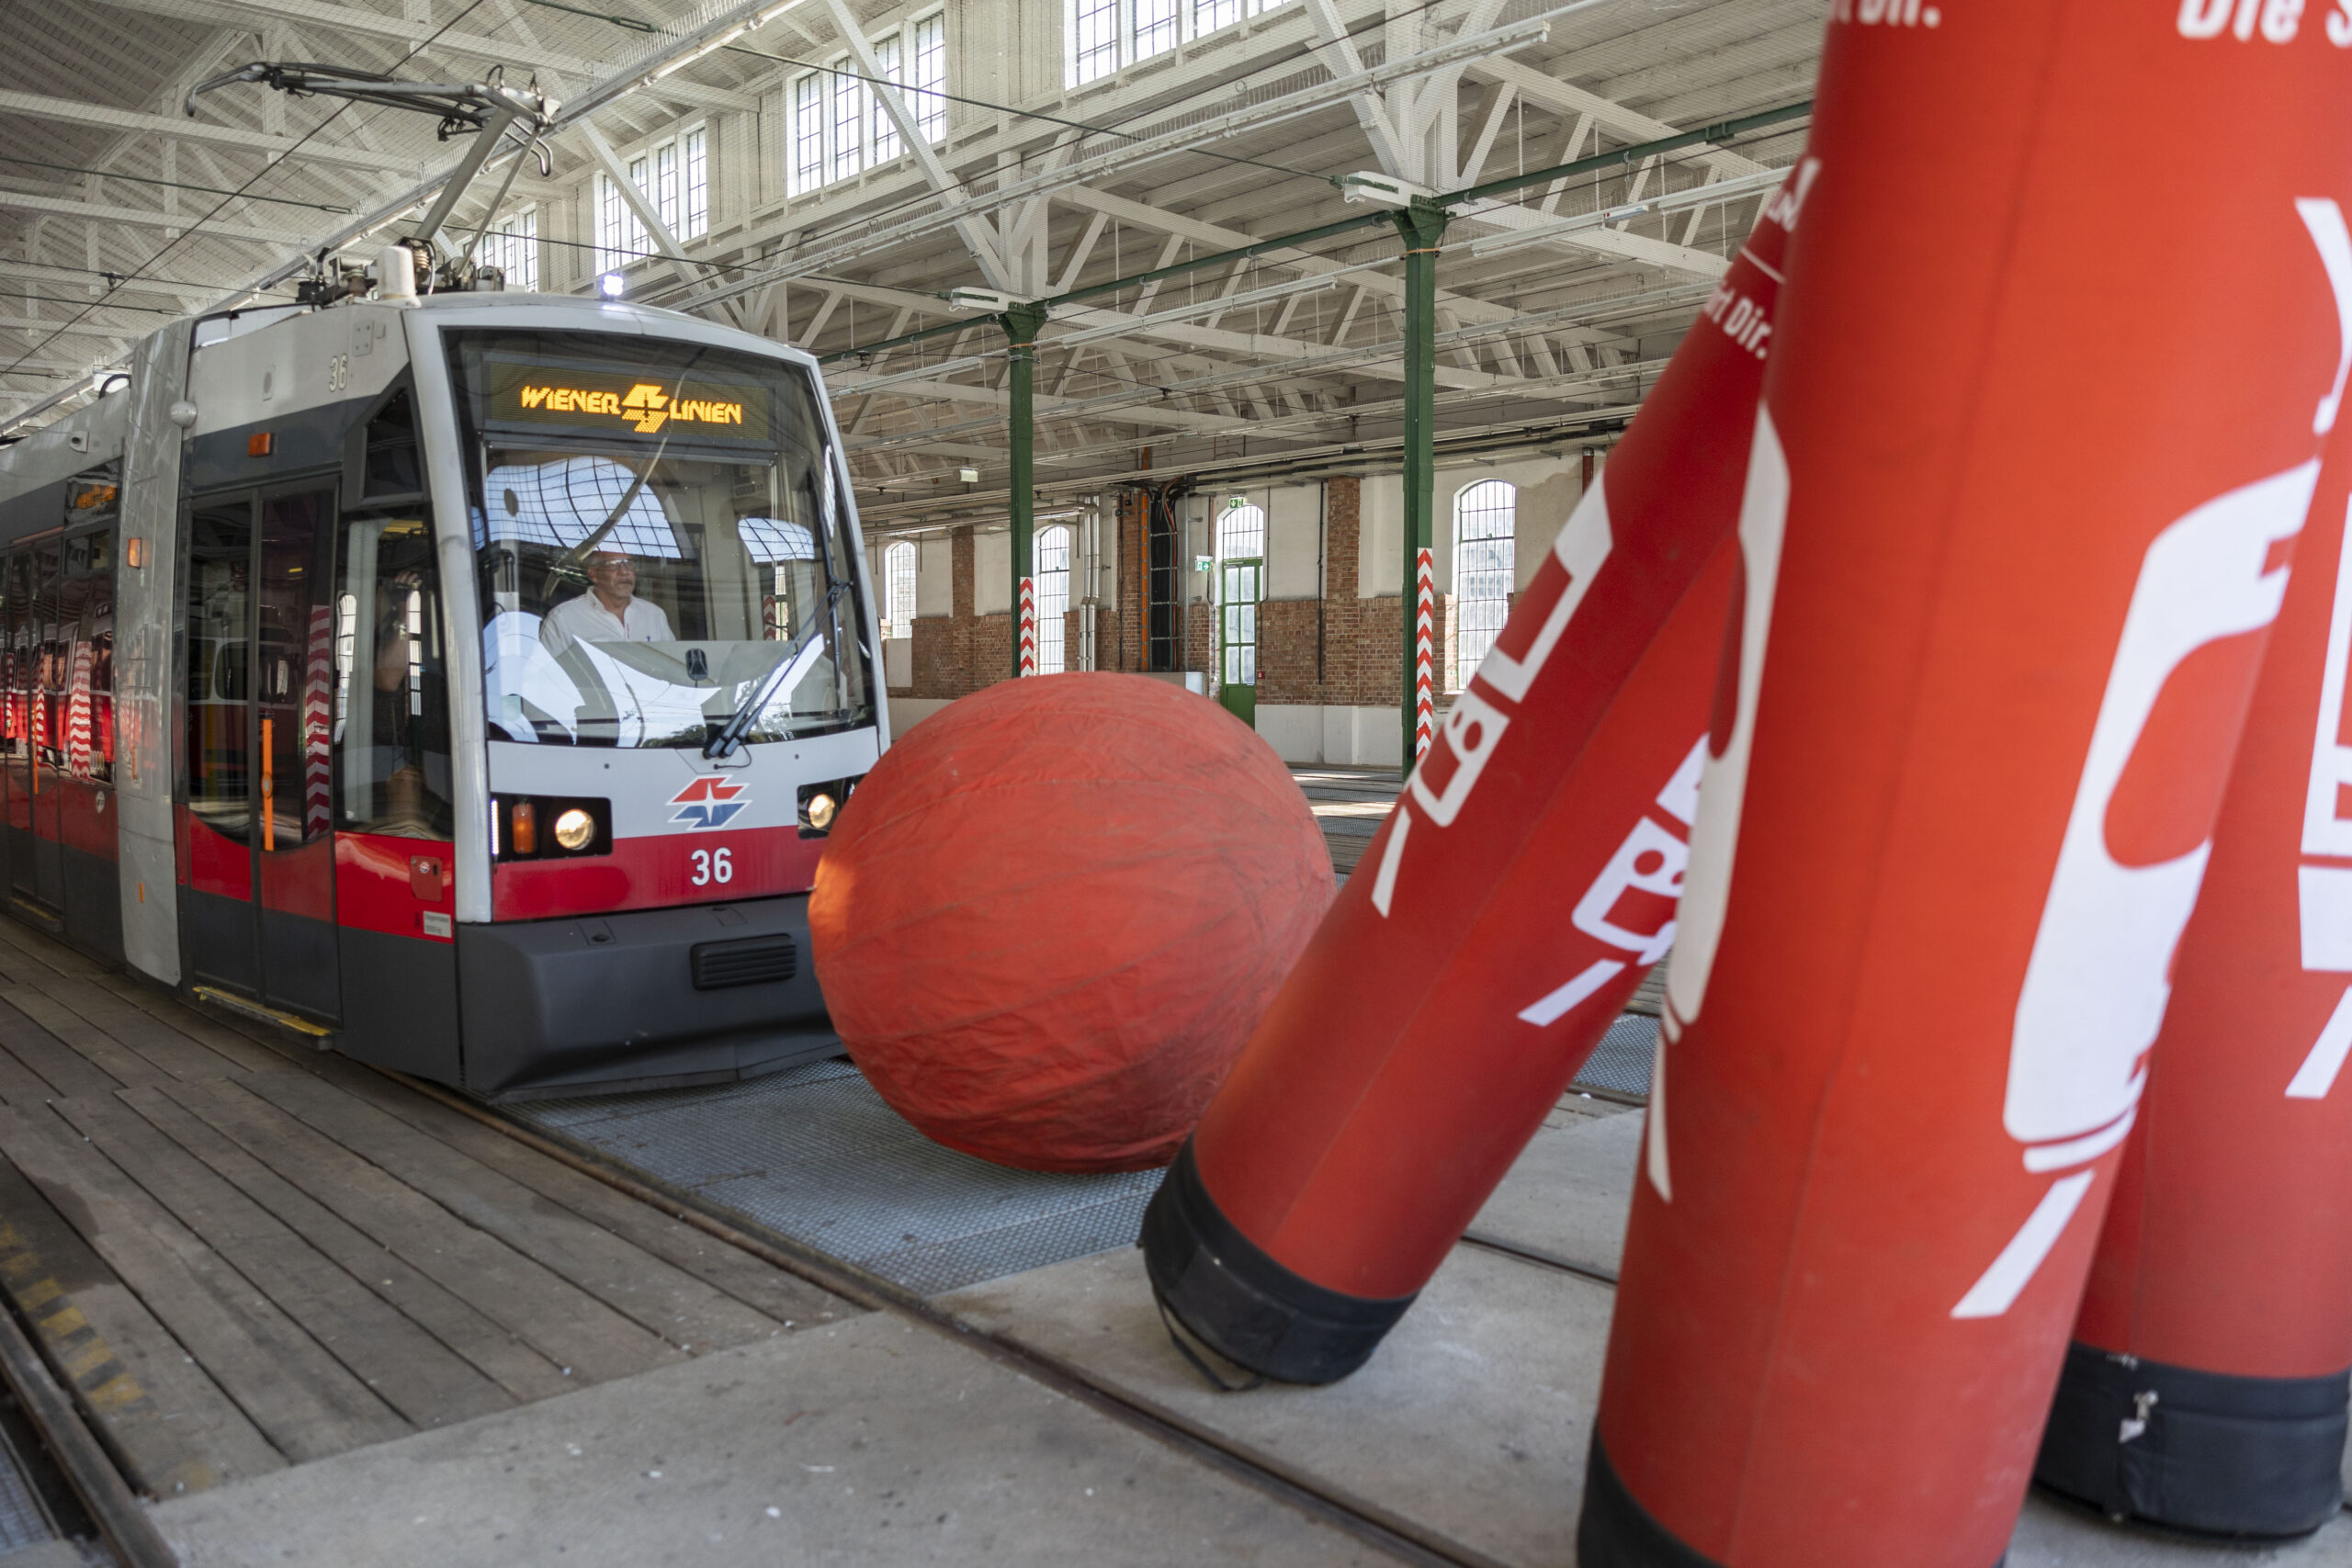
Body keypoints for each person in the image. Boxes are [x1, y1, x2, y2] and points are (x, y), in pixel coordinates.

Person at [538, 549, 674, 659]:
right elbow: (545, 677)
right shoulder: (563, 619)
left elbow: (673, 665)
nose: (624, 571)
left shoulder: (654, 614)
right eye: (614, 564)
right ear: (594, 574)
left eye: (629, 564)